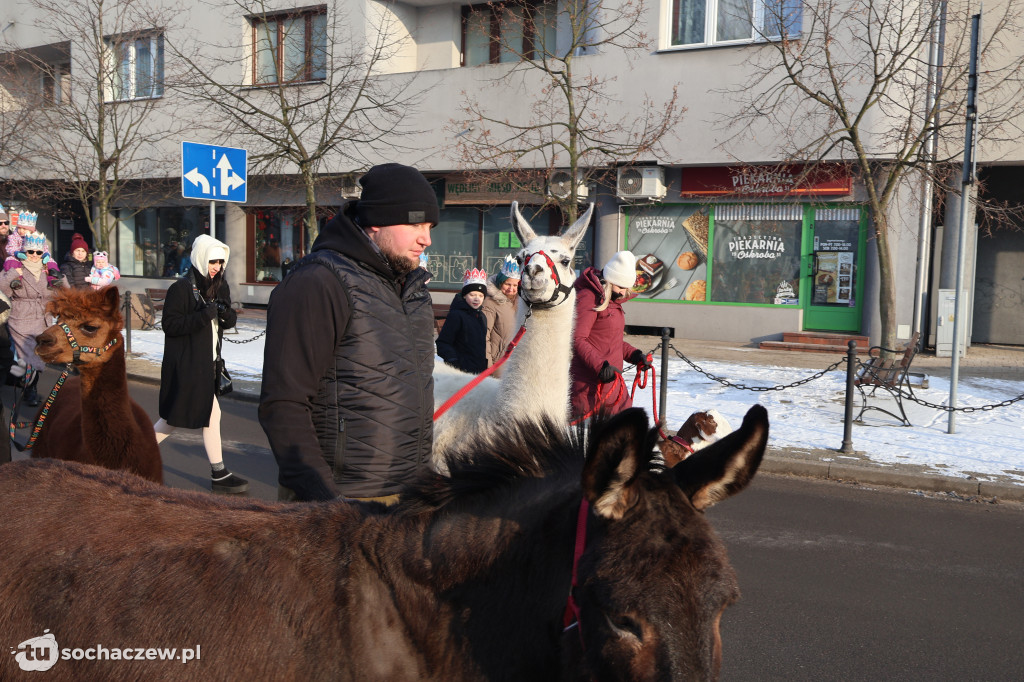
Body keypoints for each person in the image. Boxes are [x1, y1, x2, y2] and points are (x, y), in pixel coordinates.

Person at [259, 162, 438, 503]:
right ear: (376, 221)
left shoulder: (413, 289)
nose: (426, 238)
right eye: (415, 222)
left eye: (430, 225)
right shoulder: (319, 282)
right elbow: (283, 403)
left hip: (407, 495)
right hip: (342, 503)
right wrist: (325, 501)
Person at [153, 234, 248, 494]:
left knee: (208, 415)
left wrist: (225, 314)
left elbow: (227, 323)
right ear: (200, 257)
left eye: (221, 261)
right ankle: (135, 452)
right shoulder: (182, 288)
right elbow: (170, 326)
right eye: (213, 260)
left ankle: (218, 472)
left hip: (210, 364)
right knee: (174, 418)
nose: (217, 266)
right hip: (187, 363)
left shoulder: (220, 285)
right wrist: (204, 314)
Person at [569, 250, 652, 419]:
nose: (623, 292)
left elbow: (610, 340)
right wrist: (600, 367)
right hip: (589, 388)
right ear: (609, 280)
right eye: (620, 286)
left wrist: (635, 355)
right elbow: (577, 339)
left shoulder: (613, 300)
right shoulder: (589, 297)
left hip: (613, 384)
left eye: (626, 288)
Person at [0, 232, 69, 407]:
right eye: (30, 251)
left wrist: (60, 277)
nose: (34, 255)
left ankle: (24, 379)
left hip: (43, 317)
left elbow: (66, 293)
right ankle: (31, 390)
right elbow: (3, 291)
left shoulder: (49, 269)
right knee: (30, 354)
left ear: (43, 253)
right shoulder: (15, 267)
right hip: (21, 316)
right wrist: (11, 276)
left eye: (38, 252)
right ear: (24, 251)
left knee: (38, 354)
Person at [436, 268, 489, 374]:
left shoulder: (482, 316)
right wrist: (454, 362)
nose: (477, 299)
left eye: (481, 295)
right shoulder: (456, 315)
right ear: (464, 295)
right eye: (472, 295)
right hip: (461, 371)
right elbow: (443, 343)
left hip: (478, 370)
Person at [481, 255, 521, 375]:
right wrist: (488, 365)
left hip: (517, 360)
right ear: (500, 283)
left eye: (515, 285)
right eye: (507, 284)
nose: (511, 289)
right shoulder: (490, 303)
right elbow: (484, 335)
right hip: (498, 362)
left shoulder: (520, 302)